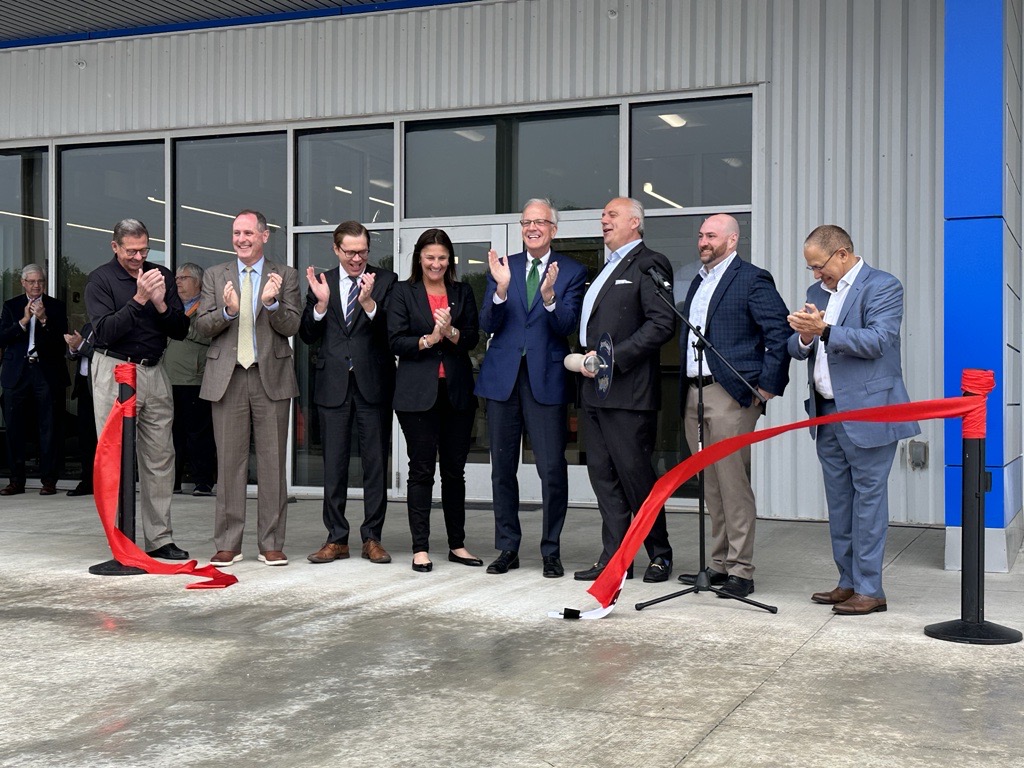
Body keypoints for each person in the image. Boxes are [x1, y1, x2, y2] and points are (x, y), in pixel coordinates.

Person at [787, 224, 919, 615]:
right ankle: (847, 582)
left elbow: (880, 340)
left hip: (869, 411)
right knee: (840, 502)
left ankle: (870, 588)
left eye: (819, 266)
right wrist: (806, 338)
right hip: (825, 411)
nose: (815, 276)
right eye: (810, 269)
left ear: (842, 254)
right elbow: (796, 346)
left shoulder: (883, 286)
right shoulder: (817, 293)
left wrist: (824, 330)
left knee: (868, 502)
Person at [676, 214, 791, 598]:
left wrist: (767, 388)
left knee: (732, 480)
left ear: (732, 239)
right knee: (709, 482)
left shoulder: (752, 278)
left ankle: (742, 568)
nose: (703, 241)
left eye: (711, 235)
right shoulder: (698, 281)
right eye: (701, 235)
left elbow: (779, 331)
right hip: (694, 392)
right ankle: (719, 564)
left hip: (731, 392)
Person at [476, 199, 587, 578]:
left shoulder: (572, 270)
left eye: (541, 222)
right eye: (527, 222)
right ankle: (507, 547)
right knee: (502, 469)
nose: (533, 227)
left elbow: (567, 326)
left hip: (546, 378)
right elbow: (488, 324)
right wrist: (501, 291)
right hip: (503, 379)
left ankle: (551, 550)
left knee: (552, 469)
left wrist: (550, 297)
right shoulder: (503, 266)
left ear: (553, 229)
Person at [572, 198, 675, 583]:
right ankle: (616, 557)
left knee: (636, 477)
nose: (604, 220)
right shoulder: (608, 267)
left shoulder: (649, 263)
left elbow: (662, 323)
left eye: (611, 215)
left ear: (635, 222)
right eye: (602, 215)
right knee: (603, 475)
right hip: (595, 389)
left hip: (628, 391)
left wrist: (615, 357)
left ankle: (659, 554)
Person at [197, 210, 301, 567]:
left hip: (269, 375)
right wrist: (227, 311)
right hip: (227, 377)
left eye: (248, 233)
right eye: (236, 233)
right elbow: (201, 327)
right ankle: (228, 543)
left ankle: (271, 543)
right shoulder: (215, 275)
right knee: (229, 464)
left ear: (264, 235)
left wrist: (271, 304)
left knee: (273, 465)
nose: (241, 239)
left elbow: (292, 325)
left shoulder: (285, 275)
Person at [85, 219, 190, 559]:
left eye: (143, 249)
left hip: (154, 370)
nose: (138, 257)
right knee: (114, 454)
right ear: (115, 247)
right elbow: (104, 332)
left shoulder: (162, 274)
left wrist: (160, 301)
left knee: (160, 456)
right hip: (115, 369)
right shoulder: (100, 280)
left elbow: (180, 329)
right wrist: (140, 299)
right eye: (131, 251)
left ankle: (160, 538)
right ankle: (120, 538)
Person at [300, 221, 397, 566]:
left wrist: (370, 304)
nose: (357, 259)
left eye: (363, 252)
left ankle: (372, 537)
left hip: (373, 384)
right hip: (333, 386)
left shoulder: (386, 281)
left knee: (374, 465)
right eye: (350, 252)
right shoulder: (322, 282)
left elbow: (392, 332)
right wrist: (321, 306)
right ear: (336, 249)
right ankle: (336, 538)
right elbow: (307, 334)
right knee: (334, 466)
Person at [388, 228, 482, 573]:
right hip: (416, 396)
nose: (436, 264)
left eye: (442, 258)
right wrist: (429, 339)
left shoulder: (462, 291)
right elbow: (395, 341)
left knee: (454, 473)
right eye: (430, 257)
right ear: (419, 258)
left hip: (456, 393)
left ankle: (457, 544)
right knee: (421, 469)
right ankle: (420, 548)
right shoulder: (402, 292)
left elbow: (472, 337)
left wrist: (452, 332)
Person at [0, 264, 69, 496]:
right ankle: (15, 480)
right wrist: (23, 321)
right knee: (14, 429)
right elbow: (2, 337)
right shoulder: (10, 306)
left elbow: (61, 344)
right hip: (17, 373)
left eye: (40, 281)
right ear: (23, 283)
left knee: (48, 428)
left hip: (45, 372)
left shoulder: (56, 307)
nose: (36, 285)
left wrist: (44, 320)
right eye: (31, 281)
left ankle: (49, 480)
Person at [164, 263, 217, 497]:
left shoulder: (207, 307)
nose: (178, 283)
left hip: (194, 379)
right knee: (171, 434)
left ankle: (203, 481)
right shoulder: (173, 307)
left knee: (198, 434)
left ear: (199, 282)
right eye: (176, 279)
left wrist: (180, 327)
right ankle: (172, 481)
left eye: (184, 278)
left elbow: (210, 335)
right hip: (167, 378)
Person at [64, 322, 95, 497]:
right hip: (84, 386)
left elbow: (102, 355)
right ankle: (86, 480)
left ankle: (102, 481)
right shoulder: (87, 327)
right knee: (85, 438)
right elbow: (72, 355)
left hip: (101, 386)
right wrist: (73, 347)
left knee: (101, 438)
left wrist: (81, 345)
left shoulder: (111, 327)